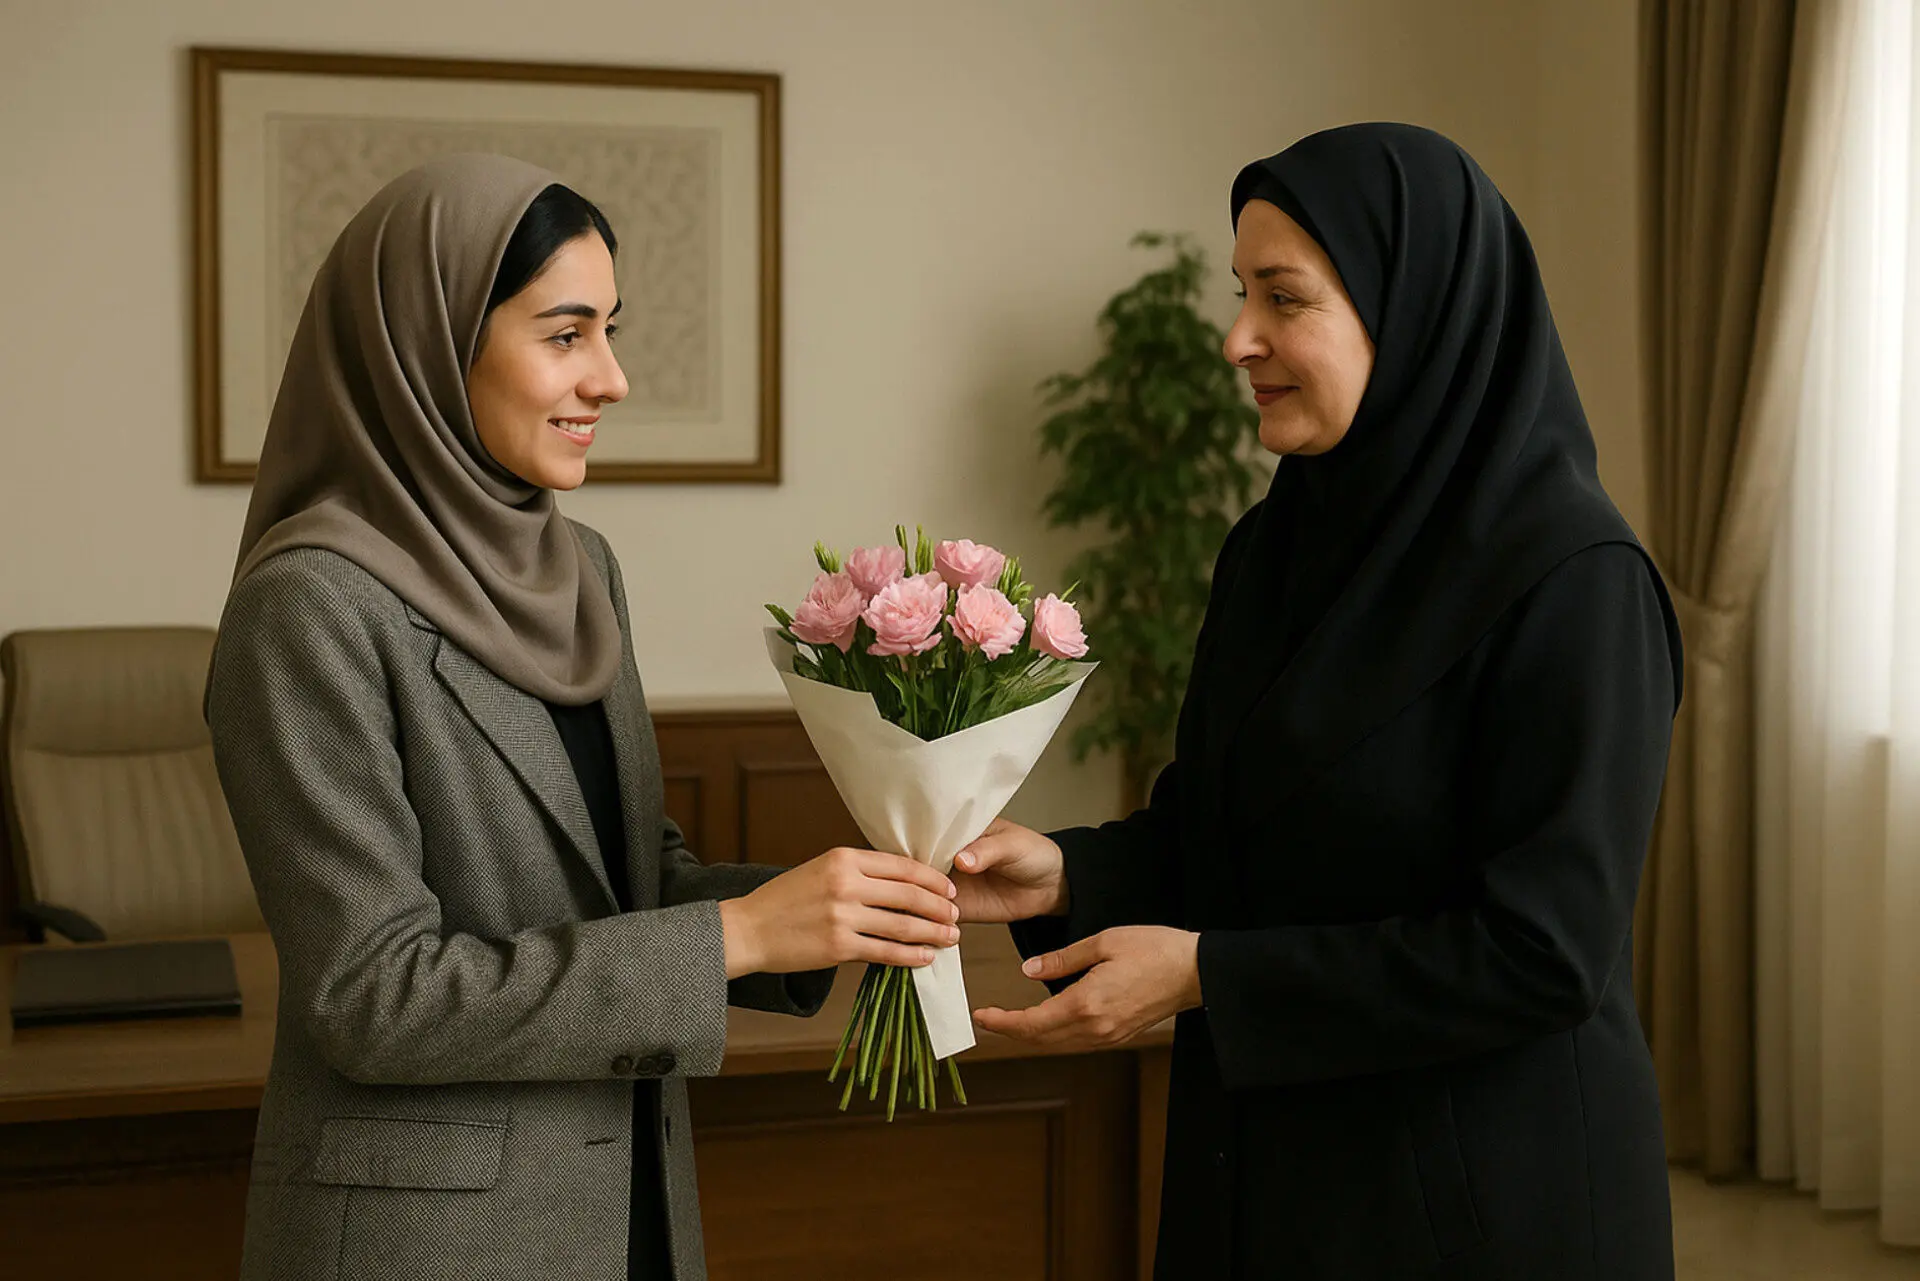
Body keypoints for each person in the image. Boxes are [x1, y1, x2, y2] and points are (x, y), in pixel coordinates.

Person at [205, 154, 960, 1281]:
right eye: (565, 335)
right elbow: (373, 997)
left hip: (629, 1208)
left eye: (611, 331)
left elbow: (628, 879)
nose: (610, 378)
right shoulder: (308, 607)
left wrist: (852, 902)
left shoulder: (581, 568)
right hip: (428, 1246)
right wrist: (742, 936)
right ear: (428, 345)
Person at [955, 123, 1683, 1280]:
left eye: (1284, 298)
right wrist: (1064, 873)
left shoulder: (1575, 581)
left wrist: (1209, 977)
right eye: (1240, 293)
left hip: (1479, 1205)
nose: (1237, 338)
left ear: (1418, 312)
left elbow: (1543, 952)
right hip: (1272, 1174)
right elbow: (1229, 832)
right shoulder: (1271, 549)